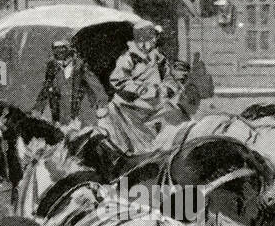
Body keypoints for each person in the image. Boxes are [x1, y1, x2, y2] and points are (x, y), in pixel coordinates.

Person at [100, 19, 182, 152]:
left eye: (152, 38)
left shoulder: (159, 58)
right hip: (130, 105)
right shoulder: (128, 58)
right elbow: (117, 80)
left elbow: (168, 77)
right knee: (139, 139)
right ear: (138, 40)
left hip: (155, 104)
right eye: (143, 39)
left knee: (174, 115)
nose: (148, 43)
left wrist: (169, 88)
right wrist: (143, 89)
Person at [33, 38, 107, 128]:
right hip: (60, 116)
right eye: (56, 48)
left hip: (81, 115)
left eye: (62, 47)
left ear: (69, 48)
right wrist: (38, 109)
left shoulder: (80, 66)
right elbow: (46, 88)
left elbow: (96, 85)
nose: (59, 51)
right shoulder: (52, 67)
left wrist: (102, 104)